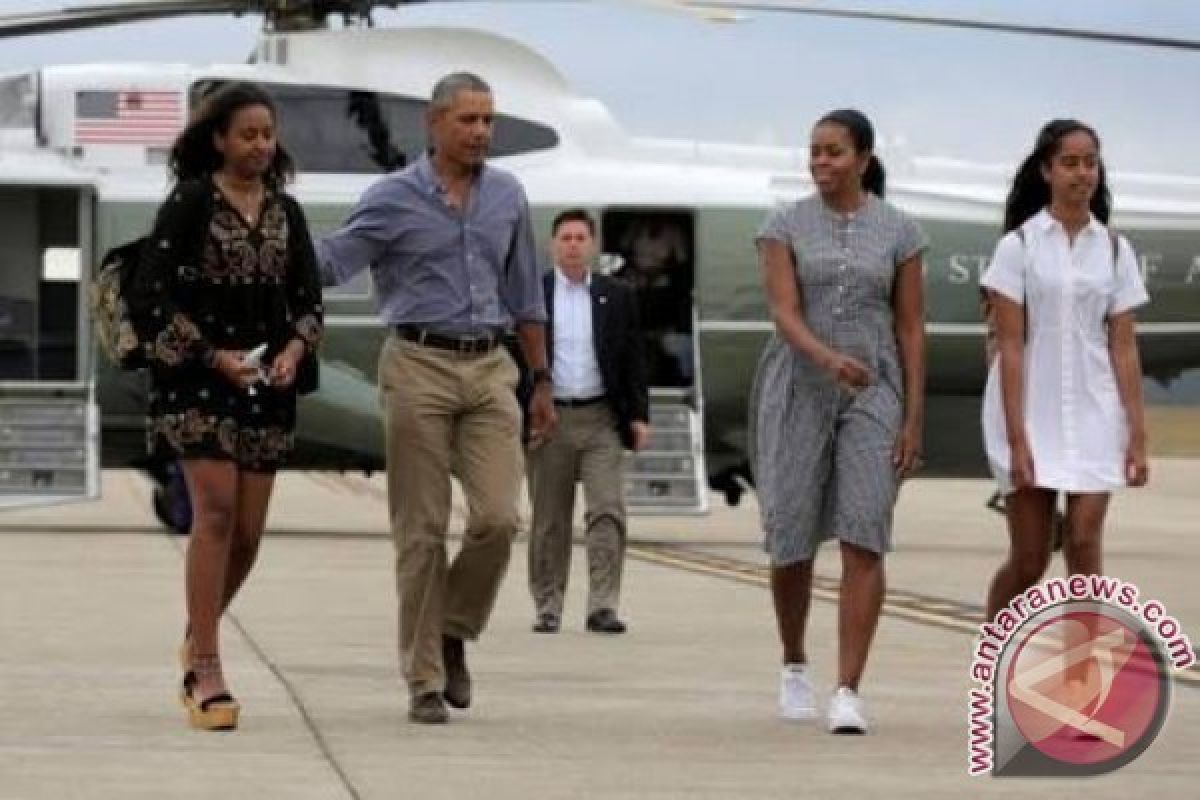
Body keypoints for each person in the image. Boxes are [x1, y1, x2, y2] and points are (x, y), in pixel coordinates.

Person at [316, 72, 555, 725]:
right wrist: (261, 246)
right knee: (420, 531)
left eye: (488, 121)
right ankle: (423, 678)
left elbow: (526, 298)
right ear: (436, 123)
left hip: (489, 370)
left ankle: (452, 628)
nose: (481, 132)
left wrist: (540, 381)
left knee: (500, 519)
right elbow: (334, 261)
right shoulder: (392, 198)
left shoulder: (508, 195)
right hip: (417, 364)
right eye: (469, 121)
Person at [129, 82, 323, 731]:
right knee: (213, 514)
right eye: (248, 133)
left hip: (268, 385)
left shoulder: (287, 213)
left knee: (246, 536)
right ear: (218, 139)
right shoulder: (189, 202)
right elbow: (150, 295)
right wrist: (213, 356)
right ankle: (205, 668)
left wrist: (295, 350)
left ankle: (196, 630)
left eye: (268, 134)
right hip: (197, 380)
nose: (261, 144)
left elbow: (309, 302)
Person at [748, 109, 926, 734]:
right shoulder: (783, 226)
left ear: (865, 158)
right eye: (814, 152)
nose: (821, 163)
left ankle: (848, 688)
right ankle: (794, 663)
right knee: (792, 538)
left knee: (863, 531)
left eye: (834, 153)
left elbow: (909, 328)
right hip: (799, 387)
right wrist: (826, 358)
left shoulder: (901, 231)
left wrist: (912, 419)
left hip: (875, 392)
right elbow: (784, 313)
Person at [982, 120, 1149, 628]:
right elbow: (1009, 345)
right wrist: (1017, 437)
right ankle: (993, 663)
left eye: (1090, 163)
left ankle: (1082, 684)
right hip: (1031, 410)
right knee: (1030, 560)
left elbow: (1123, 347)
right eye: (1070, 163)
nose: (1082, 173)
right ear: (1047, 171)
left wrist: (1137, 435)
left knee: (1083, 544)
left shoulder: (1116, 251)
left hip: (1098, 412)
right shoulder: (1020, 247)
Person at [527, 209, 650, 636]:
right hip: (551, 417)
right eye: (566, 238)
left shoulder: (617, 296)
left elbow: (634, 357)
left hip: (601, 418)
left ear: (593, 246)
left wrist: (638, 415)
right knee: (549, 520)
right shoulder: (533, 295)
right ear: (552, 245)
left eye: (581, 238)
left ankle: (602, 605)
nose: (574, 245)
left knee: (607, 512)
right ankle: (548, 604)